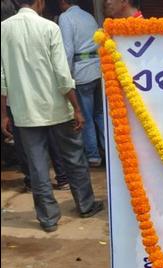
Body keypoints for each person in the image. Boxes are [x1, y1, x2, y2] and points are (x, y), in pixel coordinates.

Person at [1, 0, 103, 233]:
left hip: (25, 112)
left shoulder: (3, 29)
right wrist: (76, 107)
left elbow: (2, 78)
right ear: (39, 2)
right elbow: (62, 73)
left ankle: (47, 218)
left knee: (37, 166)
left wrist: (3, 114)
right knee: (74, 158)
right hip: (57, 108)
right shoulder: (50, 27)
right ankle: (85, 205)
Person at [58, 0, 104, 167]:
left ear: (64, 2)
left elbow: (68, 49)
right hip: (98, 70)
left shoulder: (65, 18)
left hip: (82, 73)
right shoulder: (89, 16)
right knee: (100, 114)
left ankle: (93, 156)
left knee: (86, 116)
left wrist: (67, 75)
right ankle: (107, 152)